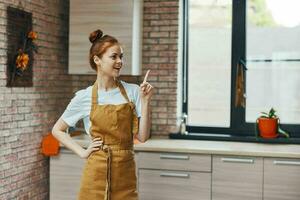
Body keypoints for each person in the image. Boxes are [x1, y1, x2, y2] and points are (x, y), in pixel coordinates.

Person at [52, 29, 154, 200]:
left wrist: (145, 102)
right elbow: (57, 130)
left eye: (121, 56)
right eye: (114, 57)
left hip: (125, 175)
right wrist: (83, 152)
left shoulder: (134, 91)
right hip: (95, 173)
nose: (120, 61)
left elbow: (142, 137)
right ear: (97, 60)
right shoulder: (84, 97)